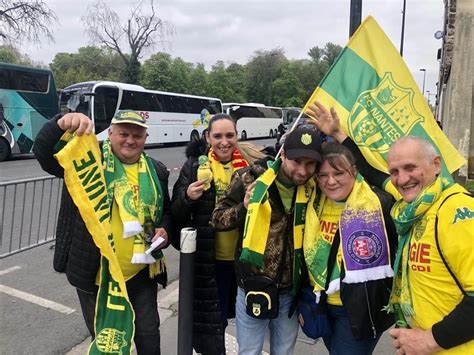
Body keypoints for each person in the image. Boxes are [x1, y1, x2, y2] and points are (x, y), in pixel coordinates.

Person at [306, 101, 474, 354]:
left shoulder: (456, 211)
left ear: (436, 165)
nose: (402, 179)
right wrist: (338, 134)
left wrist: (431, 339)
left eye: (410, 168)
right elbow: (371, 172)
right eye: (394, 171)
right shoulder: (412, 208)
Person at [33, 110, 172, 354]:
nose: (130, 140)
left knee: (149, 333)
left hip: (140, 273)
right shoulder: (88, 157)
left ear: (145, 138)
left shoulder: (156, 170)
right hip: (96, 274)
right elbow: (44, 154)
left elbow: (166, 213)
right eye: (124, 134)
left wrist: (165, 230)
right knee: (108, 341)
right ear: (110, 134)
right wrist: (60, 123)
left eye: (137, 135)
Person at [210, 125, 322, 355]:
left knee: (283, 351)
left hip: (291, 292)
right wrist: (243, 208)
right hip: (253, 287)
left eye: (310, 163)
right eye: (296, 161)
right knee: (249, 351)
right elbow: (217, 219)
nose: (303, 170)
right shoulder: (250, 178)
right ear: (283, 155)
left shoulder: (315, 188)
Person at [171, 113, 264, 354]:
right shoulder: (194, 167)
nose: (224, 141)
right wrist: (186, 197)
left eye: (230, 135)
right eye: (218, 136)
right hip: (209, 260)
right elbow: (176, 213)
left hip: (244, 259)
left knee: (249, 320)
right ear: (208, 137)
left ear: (237, 136)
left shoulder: (250, 165)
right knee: (214, 321)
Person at [303, 141, 397, 354]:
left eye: (338, 173)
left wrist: (340, 134)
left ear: (354, 171)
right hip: (323, 304)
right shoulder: (312, 202)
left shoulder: (379, 203)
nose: (331, 181)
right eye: (323, 175)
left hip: (359, 310)